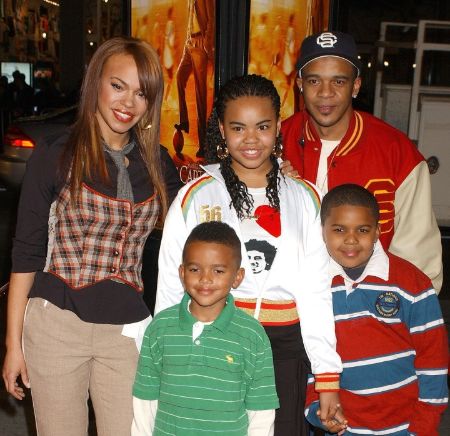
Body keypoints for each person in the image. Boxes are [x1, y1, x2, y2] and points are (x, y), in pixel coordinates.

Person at [2, 36, 180, 436]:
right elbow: (26, 254)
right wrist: (13, 344)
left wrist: (268, 174)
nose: (128, 102)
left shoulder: (156, 162)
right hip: (57, 324)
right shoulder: (57, 153)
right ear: (96, 80)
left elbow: (200, 212)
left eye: (141, 93)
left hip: (128, 332)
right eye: (118, 85)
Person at [155, 74, 344, 436]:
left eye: (263, 126)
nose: (251, 139)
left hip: (284, 349)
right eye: (238, 128)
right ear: (222, 131)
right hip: (212, 340)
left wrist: (327, 376)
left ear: (278, 128)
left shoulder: (305, 197)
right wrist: (169, 358)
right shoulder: (195, 196)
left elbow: (316, 290)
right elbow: (170, 285)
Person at [280, 31, 443, 292]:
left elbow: (418, 253)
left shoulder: (396, 151)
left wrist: (414, 306)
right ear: (299, 84)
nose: (325, 93)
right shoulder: (273, 142)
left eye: (339, 81)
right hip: (289, 299)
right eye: (314, 81)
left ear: (355, 86)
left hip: (371, 301)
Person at [305, 184, 448, 435]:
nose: (351, 239)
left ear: (377, 232)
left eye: (362, 230)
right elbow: (309, 356)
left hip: (407, 427)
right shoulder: (313, 287)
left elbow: (433, 361)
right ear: (322, 231)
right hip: (345, 427)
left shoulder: (412, 283)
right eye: (339, 229)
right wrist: (317, 409)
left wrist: (423, 427)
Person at [132, 221, 279, 435]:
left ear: (237, 277)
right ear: (182, 273)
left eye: (218, 271)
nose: (205, 279)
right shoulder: (160, 328)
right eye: (195, 269)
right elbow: (145, 402)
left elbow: (261, 411)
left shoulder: (252, 335)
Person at [174, 0, 214, 157]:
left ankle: (203, 144)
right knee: (179, 77)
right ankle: (184, 121)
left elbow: (212, 18)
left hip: (199, 42)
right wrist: (187, 39)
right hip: (189, 42)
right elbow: (191, 18)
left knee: (200, 96)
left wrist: (207, 42)